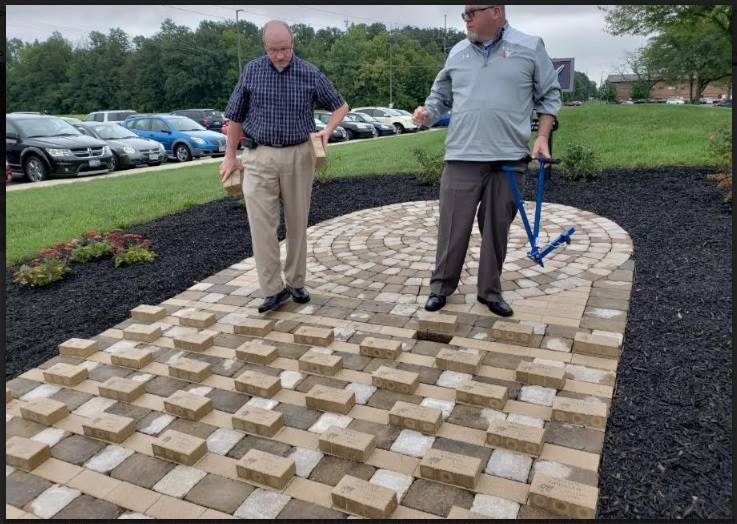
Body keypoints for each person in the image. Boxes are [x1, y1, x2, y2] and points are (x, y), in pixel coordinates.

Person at [413, 4, 561, 316]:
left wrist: (543, 136)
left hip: (508, 158)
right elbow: (440, 98)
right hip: (461, 156)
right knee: (452, 229)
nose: (465, 19)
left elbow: (549, 95)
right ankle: (441, 287)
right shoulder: (457, 52)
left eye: (470, 13)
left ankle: (490, 292)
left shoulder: (530, 46)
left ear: (494, 11)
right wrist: (427, 114)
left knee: (497, 230)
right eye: (464, 14)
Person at [220, 20, 349, 313]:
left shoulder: (309, 73)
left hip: (298, 156)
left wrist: (327, 131)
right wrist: (229, 156)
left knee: (296, 223)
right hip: (258, 156)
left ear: (293, 44)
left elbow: (341, 106)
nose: (279, 55)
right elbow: (235, 116)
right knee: (262, 227)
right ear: (265, 47)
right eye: (273, 50)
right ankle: (272, 290)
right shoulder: (252, 71)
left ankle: (296, 282)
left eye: (285, 49)